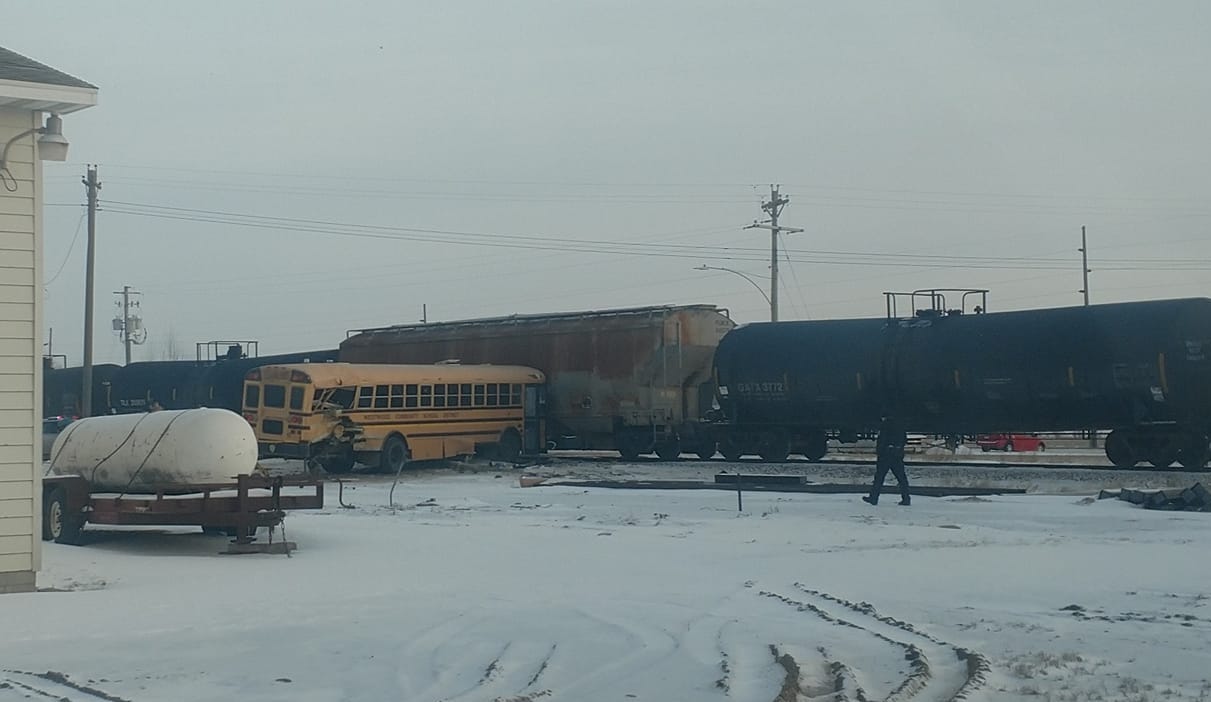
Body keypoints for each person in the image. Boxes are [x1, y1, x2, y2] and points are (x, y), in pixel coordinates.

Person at [863, 416, 911, 506]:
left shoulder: (885, 425)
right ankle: (906, 498)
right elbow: (904, 440)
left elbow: (882, 439)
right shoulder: (900, 425)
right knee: (901, 478)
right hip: (897, 454)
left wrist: (880, 451)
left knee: (879, 478)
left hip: (885, 455)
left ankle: (873, 498)